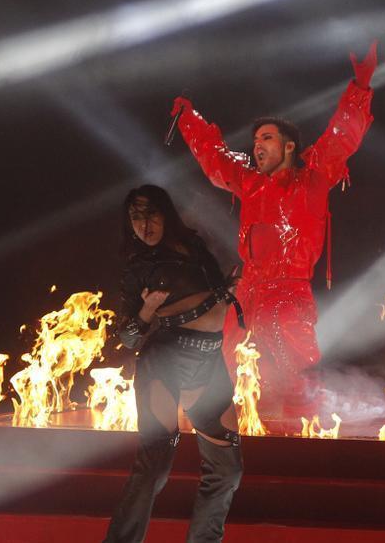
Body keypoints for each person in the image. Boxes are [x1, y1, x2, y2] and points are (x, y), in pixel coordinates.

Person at [172, 43, 377, 421]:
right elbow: (214, 157)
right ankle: (244, 443)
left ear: (289, 146)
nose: (257, 145)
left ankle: (300, 444)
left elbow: (342, 136)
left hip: (288, 292)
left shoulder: (312, 178)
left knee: (292, 377)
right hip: (249, 290)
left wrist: (360, 86)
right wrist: (189, 118)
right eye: (255, 140)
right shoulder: (248, 182)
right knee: (236, 373)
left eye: (266, 138)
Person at [104, 185, 242, 543]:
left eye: (150, 214)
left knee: (226, 471)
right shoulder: (139, 268)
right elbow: (130, 337)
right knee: (154, 467)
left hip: (209, 361)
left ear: (166, 214)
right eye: (135, 217)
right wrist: (148, 309)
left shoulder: (197, 249)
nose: (143, 224)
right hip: (165, 361)